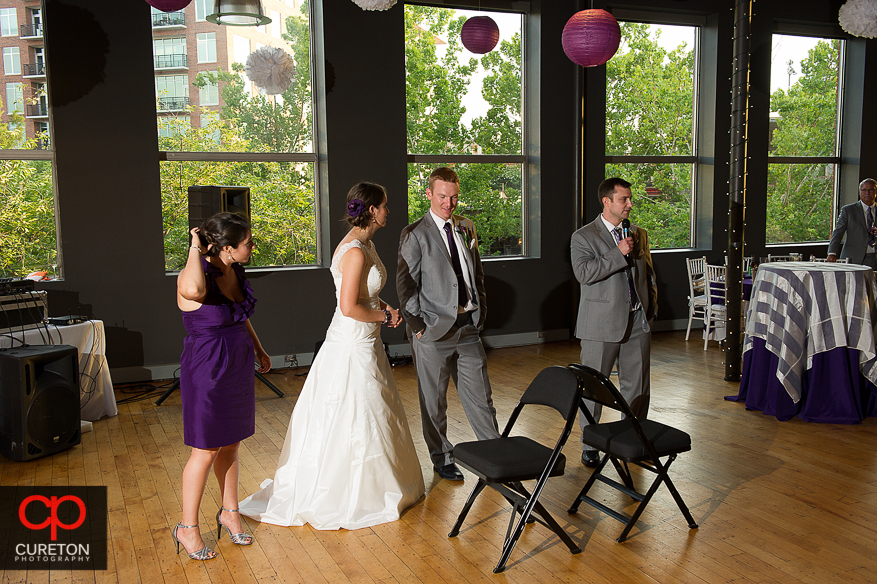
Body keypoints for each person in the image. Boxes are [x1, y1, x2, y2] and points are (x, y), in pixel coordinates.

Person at [238, 182, 424, 530]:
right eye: (384, 206)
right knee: (357, 411)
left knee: (373, 411)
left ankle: (383, 482)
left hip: (366, 341)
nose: (387, 211)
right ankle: (355, 493)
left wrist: (386, 308)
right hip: (352, 343)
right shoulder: (355, 251)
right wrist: (385, 317)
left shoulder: (366, 244)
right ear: (371, 211)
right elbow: (349, 306)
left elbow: (365, 296)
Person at [174, 212, 271, 560]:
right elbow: (195, 291)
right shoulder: (196, 275)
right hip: (207, 369)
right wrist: (194, 249)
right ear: (228, 248)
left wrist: (258, 348)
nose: (253, 247)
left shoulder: (236, 270)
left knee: (231, 444)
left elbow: (239, 316)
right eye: (248, 243)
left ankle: (229, 511)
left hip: (238, 364)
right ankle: (187, 528)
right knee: (205, 450)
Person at [396, 167, 500, 482]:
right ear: (429, 194)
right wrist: (418, 326)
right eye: (442, 196)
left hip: (468, 327)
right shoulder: (414, 233)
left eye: (453, 197)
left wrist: (481, 310)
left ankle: (495, 454)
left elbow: (476, 273)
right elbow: (405, 285)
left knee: (482, 398)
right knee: (434, 401)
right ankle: (441, 458)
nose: (449, 203)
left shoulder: (467, 227)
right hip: (432, 331)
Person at [571, 178, 657, 467]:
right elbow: (584, 273)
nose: (630, 204)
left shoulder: (639, 233)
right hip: (600, 325)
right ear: (607, 202)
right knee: (593, 388)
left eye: (630, 199)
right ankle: (590, 443)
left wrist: (649, 311)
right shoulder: (583, 236)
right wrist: (617, 253)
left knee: (638, 387)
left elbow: (649, 275)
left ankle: (632, 436)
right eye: (624, 200)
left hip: (637, 321)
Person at [827, 178, 877, 268]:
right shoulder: (848, 210)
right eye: (864, 190)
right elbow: (838, 232)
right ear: (859, 192)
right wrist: (832, 252)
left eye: (871, 190)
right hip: (854, 258)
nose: (868, 193)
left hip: (874, 257)